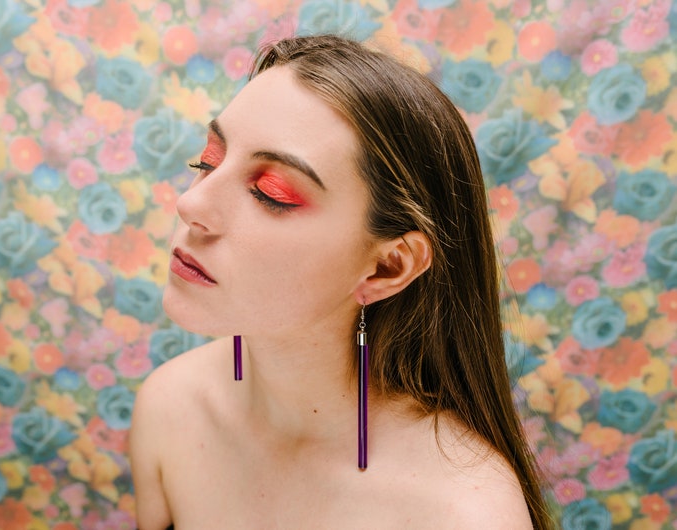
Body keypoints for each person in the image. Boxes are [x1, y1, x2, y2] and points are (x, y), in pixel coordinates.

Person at [130, 34, 553, 529]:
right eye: (209, 161)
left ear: (388, 267)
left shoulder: (464, 513)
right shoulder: (170, 406)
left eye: (272, 194)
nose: (191, 204)